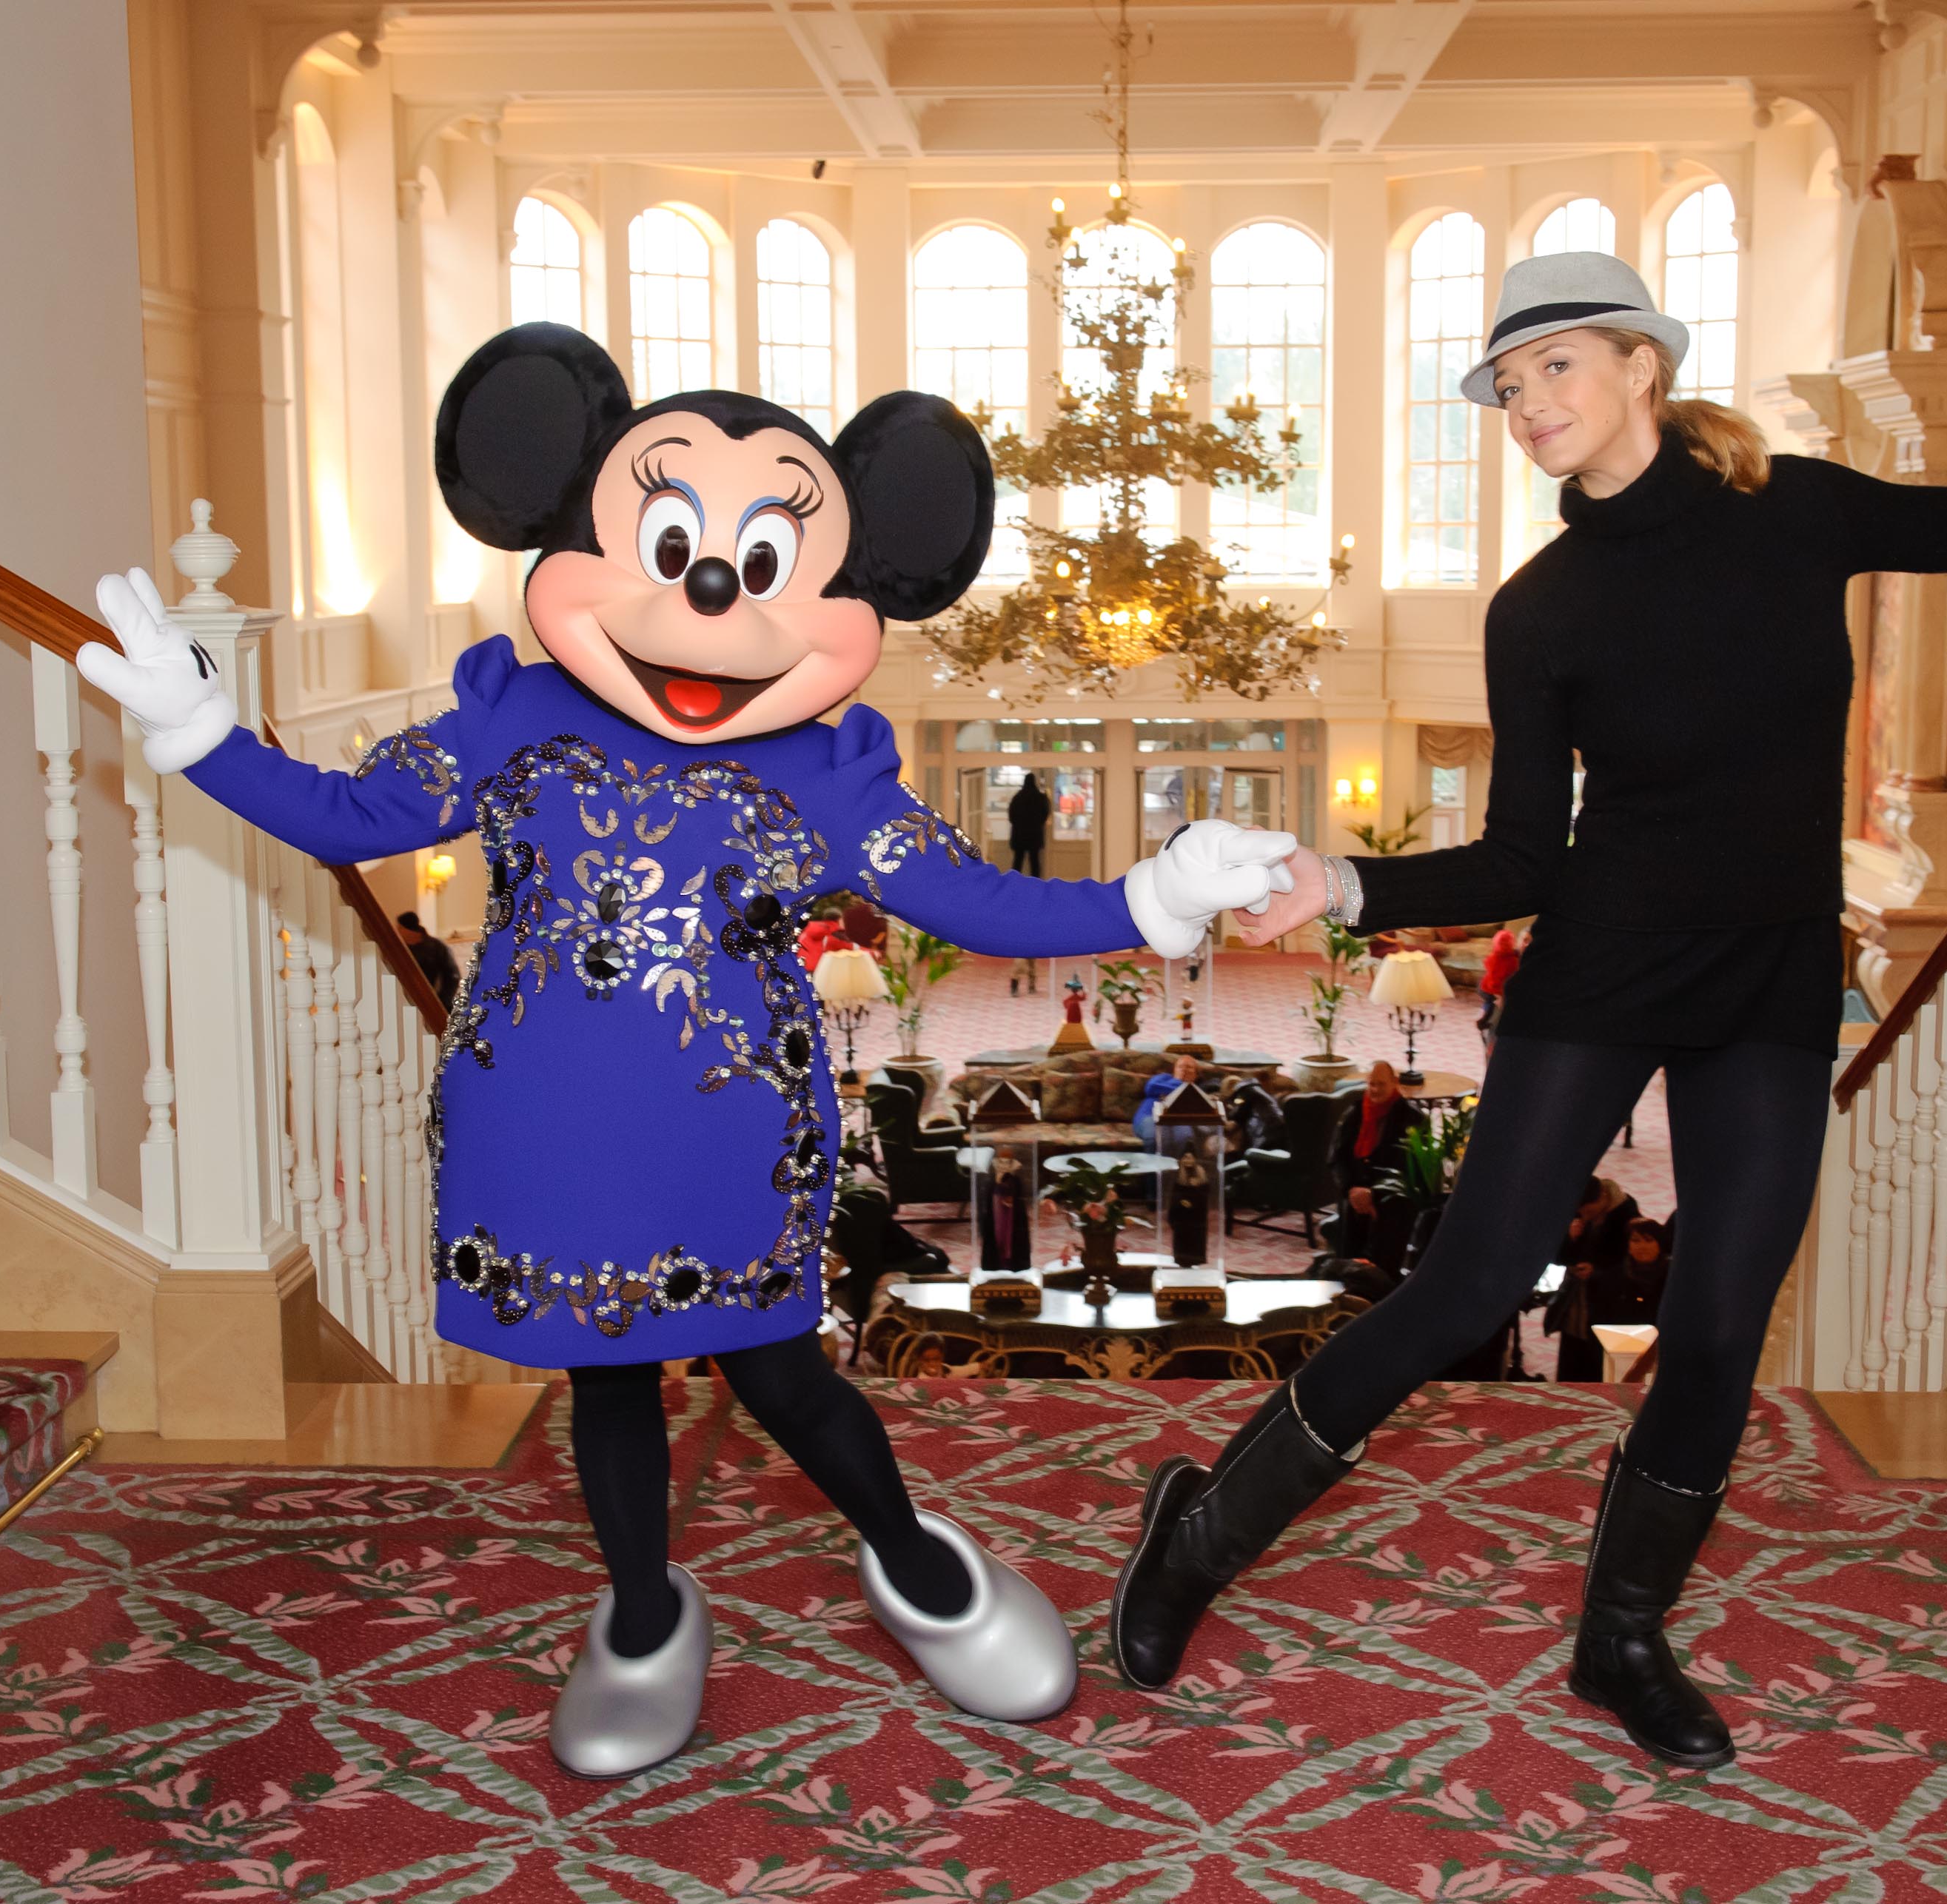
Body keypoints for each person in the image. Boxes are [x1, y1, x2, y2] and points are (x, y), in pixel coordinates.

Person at [78, 321, 1301, 1782]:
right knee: (605, 1376)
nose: (711, 592)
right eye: (670, 547)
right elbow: (351, 818)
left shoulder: (820, 767)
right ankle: (647, 1614)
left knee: (781, 1372)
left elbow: (973, 897)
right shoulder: (516, 719)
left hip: (730, 1128)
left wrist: (1147, 895)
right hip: (539, 1124)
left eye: (764, 562)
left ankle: (918, 1564)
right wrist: (206, 733)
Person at [1109, 218, 1947, 1770]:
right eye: (1509, 384)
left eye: (1555, 366)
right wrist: (1346, 883)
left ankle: (1623, 1634)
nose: (1529, 403)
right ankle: (1198, 1535)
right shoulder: (1538, 609)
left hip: (1769, 976)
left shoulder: (1794, 512)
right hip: (1602, 968)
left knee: (1719, 1323)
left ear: (1642, 364)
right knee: (1464, 1288)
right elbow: (1524, 851)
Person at [1324, 1062, 1417, 1267]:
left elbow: (1406, 1167)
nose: (1375, 1090)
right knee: (1350, 1265)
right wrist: (1351, 1189)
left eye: (1381, 1084)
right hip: (1353, 1199)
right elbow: (1337, 1158)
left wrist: (1373, 1194)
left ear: (1395, 1083)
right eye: (1371, 1084)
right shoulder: (1354, 1113)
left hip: (1391, 1204)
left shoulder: (1412, 1118)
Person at [1131, 1053, 1203, 1148]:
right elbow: (1151, 1088)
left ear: (1196, 1075)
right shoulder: (1164, 1078)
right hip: (1149, 1117)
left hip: (1176, 1122)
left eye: (1189, 1067)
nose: (1184, 1069)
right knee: (1154, 1137)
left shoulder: (1197, 1091)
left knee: (1185, 1137)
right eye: (1180, 1067)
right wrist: (1181, 1085)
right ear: (1174, 1070)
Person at [397, 909, 461, 1010]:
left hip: (433, 1003)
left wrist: (442, 1002)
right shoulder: (399, 948)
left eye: (400, 927)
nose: (397, 930)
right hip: (406, 1003)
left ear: (407, 929)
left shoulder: (436, 947)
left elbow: (453, 976)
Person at [1007, 771, 1051, 877]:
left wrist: (1019, 824)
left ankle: (1014, 882)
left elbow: (1011, 816)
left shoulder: (1018, 797)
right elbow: (1045, 813)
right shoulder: (1040, 798)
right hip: (1034, 835)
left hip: (1019, 835)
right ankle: (1036, 883)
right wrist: (1038, 824)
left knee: (1018, 861)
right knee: (1035, 862)